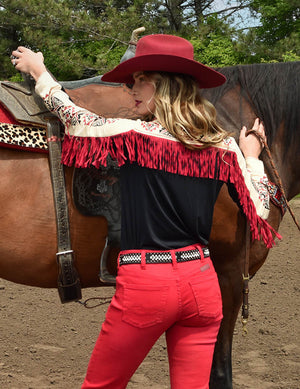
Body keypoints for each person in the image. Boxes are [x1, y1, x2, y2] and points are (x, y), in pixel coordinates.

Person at [12, 34, 272, 389]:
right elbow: (260, 208)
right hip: (202, 285)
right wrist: (254, 159)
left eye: (139, 80)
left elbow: (73, 116)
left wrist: (40, 71)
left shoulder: (133, 135)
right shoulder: (224, 146)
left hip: (148, 286)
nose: (129, 88)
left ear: (164, 86)